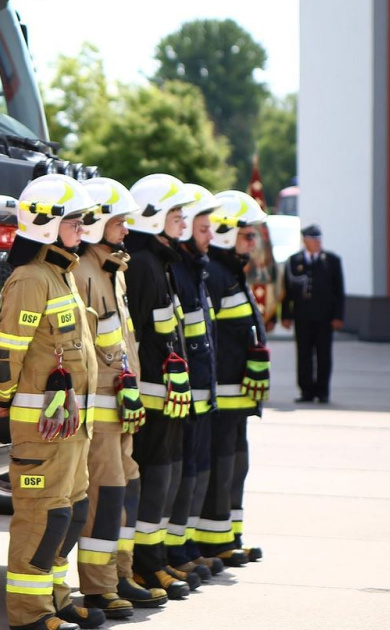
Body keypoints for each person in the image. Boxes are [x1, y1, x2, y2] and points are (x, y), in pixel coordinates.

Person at [0, 173, 108, 630]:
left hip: (70, 429)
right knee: (41, 518)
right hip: (42, 430)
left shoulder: (62, 275)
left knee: (68, 515)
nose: (82, 229)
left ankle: (56, 601)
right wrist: (5, 402)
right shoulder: (31, 279)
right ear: (46, 225)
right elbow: (5, 351)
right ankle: (29, 614)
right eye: (74, 222)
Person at [72, 177, 166, 616]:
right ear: (94, 224)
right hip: (101, 410)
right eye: (118, 222)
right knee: (106, 495)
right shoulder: (82, 273)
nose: (126, 230)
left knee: (127, 488)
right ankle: (99, 587)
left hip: (122, 406)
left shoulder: (113, 271)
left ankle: (121, 575)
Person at [121, 173, 196, 600]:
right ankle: (145, 565)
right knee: (150, 479)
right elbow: (134, 339)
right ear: (153, 217)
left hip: (166, 398)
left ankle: (155, 559)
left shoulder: (162, 262)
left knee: (162, 478)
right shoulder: (144, 266)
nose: (184, 221)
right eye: (176, 213)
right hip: (149, 400)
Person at [198, 190, 269, 566]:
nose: (253, 242)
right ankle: (214, 543)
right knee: (220, 468)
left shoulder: (232, 274)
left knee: (236, 467)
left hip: (237, 399)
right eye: (247, 234)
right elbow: (206, 339)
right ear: (225, 233)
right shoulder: (215, 275)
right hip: (221, 401)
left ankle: (230, 536)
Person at [165, 183, 225, 582]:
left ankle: (184, 546)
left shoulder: (196, 273)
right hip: (185, 397)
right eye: (202, 229)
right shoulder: (180, 274)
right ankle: (173, 550)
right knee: (183, 472)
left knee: (196, 469)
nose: (209, 236)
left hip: (201, 394)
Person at [282, 224, 345, 403]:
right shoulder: (294, 261)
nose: (317, 242)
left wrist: (338, 316)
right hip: (302, 316)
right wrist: (286, 315)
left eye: (319, 239)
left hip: (325, 317)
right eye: (313, 239)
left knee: (324, 355)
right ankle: (306, 391)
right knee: (303, 354)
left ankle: (323, 391)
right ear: (305, 241)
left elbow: (339, 290)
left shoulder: (331, 260)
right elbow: (287, 291)